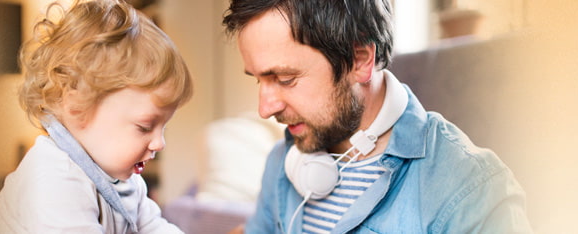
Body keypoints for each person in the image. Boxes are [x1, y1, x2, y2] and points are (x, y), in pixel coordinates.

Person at [222, 0, 532, 233]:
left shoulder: (472, 191)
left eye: (286, 79)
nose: (265, 108)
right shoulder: (283, 160)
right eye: (258, 79)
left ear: (360, 60)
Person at [0, 0, 191, 233]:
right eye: (144, 126)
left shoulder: (122, 178)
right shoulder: (54, 178)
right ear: (76, 106)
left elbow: (153, 227)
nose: (159, 143)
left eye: (163, 128)